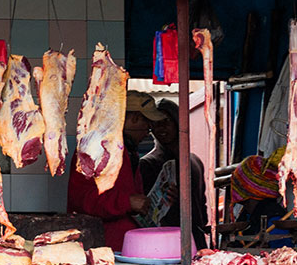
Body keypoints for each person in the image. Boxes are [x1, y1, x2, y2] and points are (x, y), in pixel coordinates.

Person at [67, 90, 166, 252]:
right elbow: (82, 199)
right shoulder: (95, 147)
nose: (147, 132)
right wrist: (127, 202)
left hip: (124, 244)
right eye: (147, 125)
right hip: (99, 247)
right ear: (134, 119)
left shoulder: (129, 151)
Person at [139, 98, 209, 249]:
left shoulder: (194, 162)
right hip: (165, 244)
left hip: (196, 240)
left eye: (167, 121)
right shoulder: (147, 164)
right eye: (156, 122)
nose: (161, 127)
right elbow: (144, 214)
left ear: (178, 122)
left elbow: (202, 207)